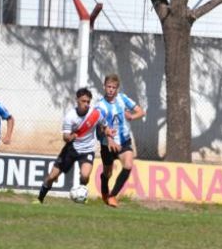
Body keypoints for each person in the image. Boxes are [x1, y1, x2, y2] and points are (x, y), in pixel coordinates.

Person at [36, 87, 108, 204]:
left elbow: (104, 125)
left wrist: (106, 132)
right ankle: (40, 199)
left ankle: (81, 193)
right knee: (52, 177)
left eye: (88, 102)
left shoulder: (95, 114)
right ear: (77, 100)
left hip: (87, 150)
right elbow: (65, 137)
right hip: (71, 149)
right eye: (83, 101)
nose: (86, 104)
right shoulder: (70, 117)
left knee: (85, 175)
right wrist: (71, 137)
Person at [95, 73, 145, 208]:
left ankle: (112, 196)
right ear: (104, 87)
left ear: (117, 89)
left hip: (124, 142)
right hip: (107, 145)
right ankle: (105, 192)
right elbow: (101, 125)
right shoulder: (100, 106)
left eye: (114, 87)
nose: (111, 89)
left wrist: (131, 116)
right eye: (108, 87)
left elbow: (141, 111)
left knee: (128, 165)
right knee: (107, 173)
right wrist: (109, 139)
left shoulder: (123, 99)